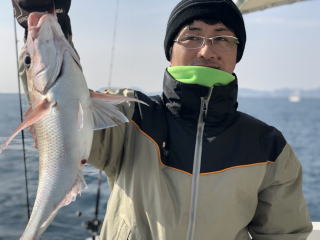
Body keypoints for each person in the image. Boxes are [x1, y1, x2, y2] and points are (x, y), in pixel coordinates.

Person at [12, 0, 313, 239]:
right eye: (192, 36)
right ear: (171, 50)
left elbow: (283, 234)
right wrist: (45, 18)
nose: (207, 50)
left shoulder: (268, 146)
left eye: (222, 38)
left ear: (237, 53)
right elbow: (63, 104)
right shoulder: (131, 114)